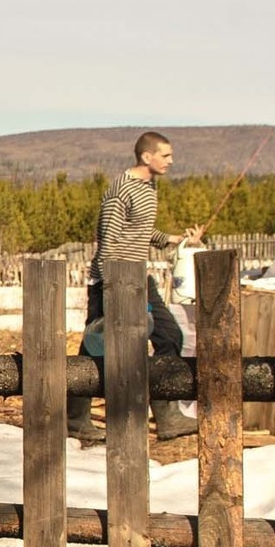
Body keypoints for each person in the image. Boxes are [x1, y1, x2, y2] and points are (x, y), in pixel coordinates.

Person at [72, 132, 201, 445]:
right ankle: (74, 418)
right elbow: (109, 237)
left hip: (139, 277)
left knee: (170, 336)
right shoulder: (122, 189)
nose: (171, 161)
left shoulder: (147, 187)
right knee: (97, 347)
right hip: (115, 280)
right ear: (147, 157)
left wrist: (174, 239)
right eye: (165, 155)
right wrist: (107, 285)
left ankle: (167, 415)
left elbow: (140, 230)